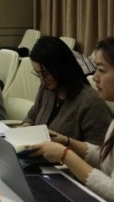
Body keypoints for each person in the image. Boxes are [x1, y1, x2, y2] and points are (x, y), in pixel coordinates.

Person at [30, 37, 114, 202]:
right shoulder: (47, 90)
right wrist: (67, 141)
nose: (95, 77)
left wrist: (64, 155)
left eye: (101, 70)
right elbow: (106, 158)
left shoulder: (91, 102)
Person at [22, 36, 110, 145]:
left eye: (45, 73)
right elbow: (31, 116)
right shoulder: (47, 89)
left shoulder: (91, 103)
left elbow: (97, 151)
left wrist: (64, 147)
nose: (42, 79)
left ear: (61, 68)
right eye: (38, 74)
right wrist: (25, 127)